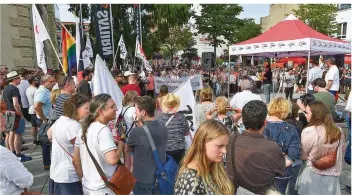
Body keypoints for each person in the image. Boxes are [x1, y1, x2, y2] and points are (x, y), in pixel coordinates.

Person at [226, 100, 285, 194]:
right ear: (265, 123)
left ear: (244, 121)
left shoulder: (231, 140)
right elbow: (280, 171)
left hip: (234, 190)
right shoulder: (273, 147)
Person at [72, 94, 125, 194]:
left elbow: (75, 160)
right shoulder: (103, 130)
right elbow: (113, 160)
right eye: (112, 107)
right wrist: (121, 144)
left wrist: (83, 180)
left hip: (88, 186)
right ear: (100, 111)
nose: (116, 109)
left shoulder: (84, 129)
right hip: (103, 188)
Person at [295, 101, 345, 195]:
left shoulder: (309, 131)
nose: (305, 115)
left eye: (307, 112)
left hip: (313, 174)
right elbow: (341, 151)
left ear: (315, 114)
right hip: (332, 174)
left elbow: (303, 155)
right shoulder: (338, 131)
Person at [174, 120, 234, 195]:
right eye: (220, 146)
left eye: (226, 146)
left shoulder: (214, 165)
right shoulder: (192, 180)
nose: (225, 151)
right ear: (202, 143)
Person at [47, 94, 90, 195]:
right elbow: (81, 152)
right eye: (86, 108)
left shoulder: (60, 120)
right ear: (75, 109)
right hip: (70, 175)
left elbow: (49, 134)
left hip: (56, 172)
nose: (89, 111)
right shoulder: (74, 126)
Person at [126, 96, 168, 195]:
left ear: (143, 112)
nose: (135, 113)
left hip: (142, 179)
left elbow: (128, 149)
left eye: (136, 110)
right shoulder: (164, 128)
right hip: (159, 177)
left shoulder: (136, 132)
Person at [263, 97, 301, 194]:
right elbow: (293, 155)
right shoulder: (291, 129)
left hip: (261, 169)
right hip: (282, 171)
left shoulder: (261, 125)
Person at [2, 71, 31, 162]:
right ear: (14, 79)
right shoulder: (14, 89)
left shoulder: (5, 89)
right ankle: (17, 155)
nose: (20, 79)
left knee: (8, 134)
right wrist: (20, 113)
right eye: (18, 78)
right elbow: (16, 103)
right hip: (14, 113)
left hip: (6, 112)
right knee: (16, 135)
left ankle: (11, 154)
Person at [157, 93, 190, 164]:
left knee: (167, 171)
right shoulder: (182, 117)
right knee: (179, 170)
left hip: (165, 149)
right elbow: (186, 133)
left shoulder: (160, 118)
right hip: (179, 149)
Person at [34, 74, 57, 170]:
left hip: (47, 118)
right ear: (44, 82)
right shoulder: (42, 92)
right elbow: (37, 106)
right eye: (51, 82)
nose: (54, 83)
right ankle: (47, 164)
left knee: (48, 142)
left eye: (54, 81)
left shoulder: (46, 90)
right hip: (45, 119)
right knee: (46, 143)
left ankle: (48, 163)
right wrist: (44, 119)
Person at [120, 90, 138, 172]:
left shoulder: (121, 109)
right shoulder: (133, 110)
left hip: (123, 138)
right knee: (133, 163)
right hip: (133, 138)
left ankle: (126, 180)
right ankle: (132, 181)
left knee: (126, 162)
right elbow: (138, 122)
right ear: (134, 99)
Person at [26, 75, 40, 145]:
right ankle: (40, 140)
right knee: (40, 126)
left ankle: (34, 140)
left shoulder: (28, 89)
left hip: (31, 109)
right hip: (35, 109)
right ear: (33, 81)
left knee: (33, 126)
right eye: (35, 80)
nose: (37, 81)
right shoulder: (35, 90)